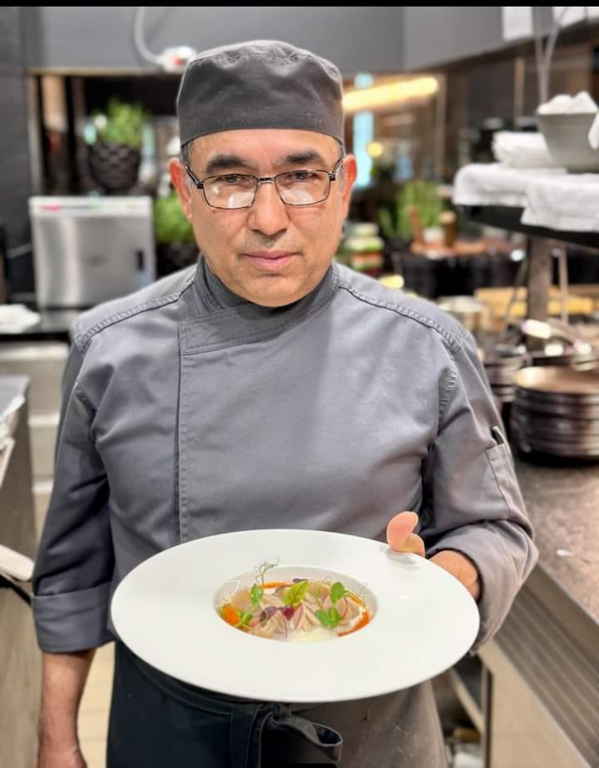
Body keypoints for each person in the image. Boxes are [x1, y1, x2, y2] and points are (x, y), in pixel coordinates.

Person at [33, 40, 538, 768]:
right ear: (183, 189)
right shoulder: (108, 350)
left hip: (370, 734)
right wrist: (55, 741)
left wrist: (438, 576)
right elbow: (72, 574)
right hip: (169, 735)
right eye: (230, 179)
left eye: (301, 176)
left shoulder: (426, 346)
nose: (268, 217)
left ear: (344, 185)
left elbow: (496, 529)